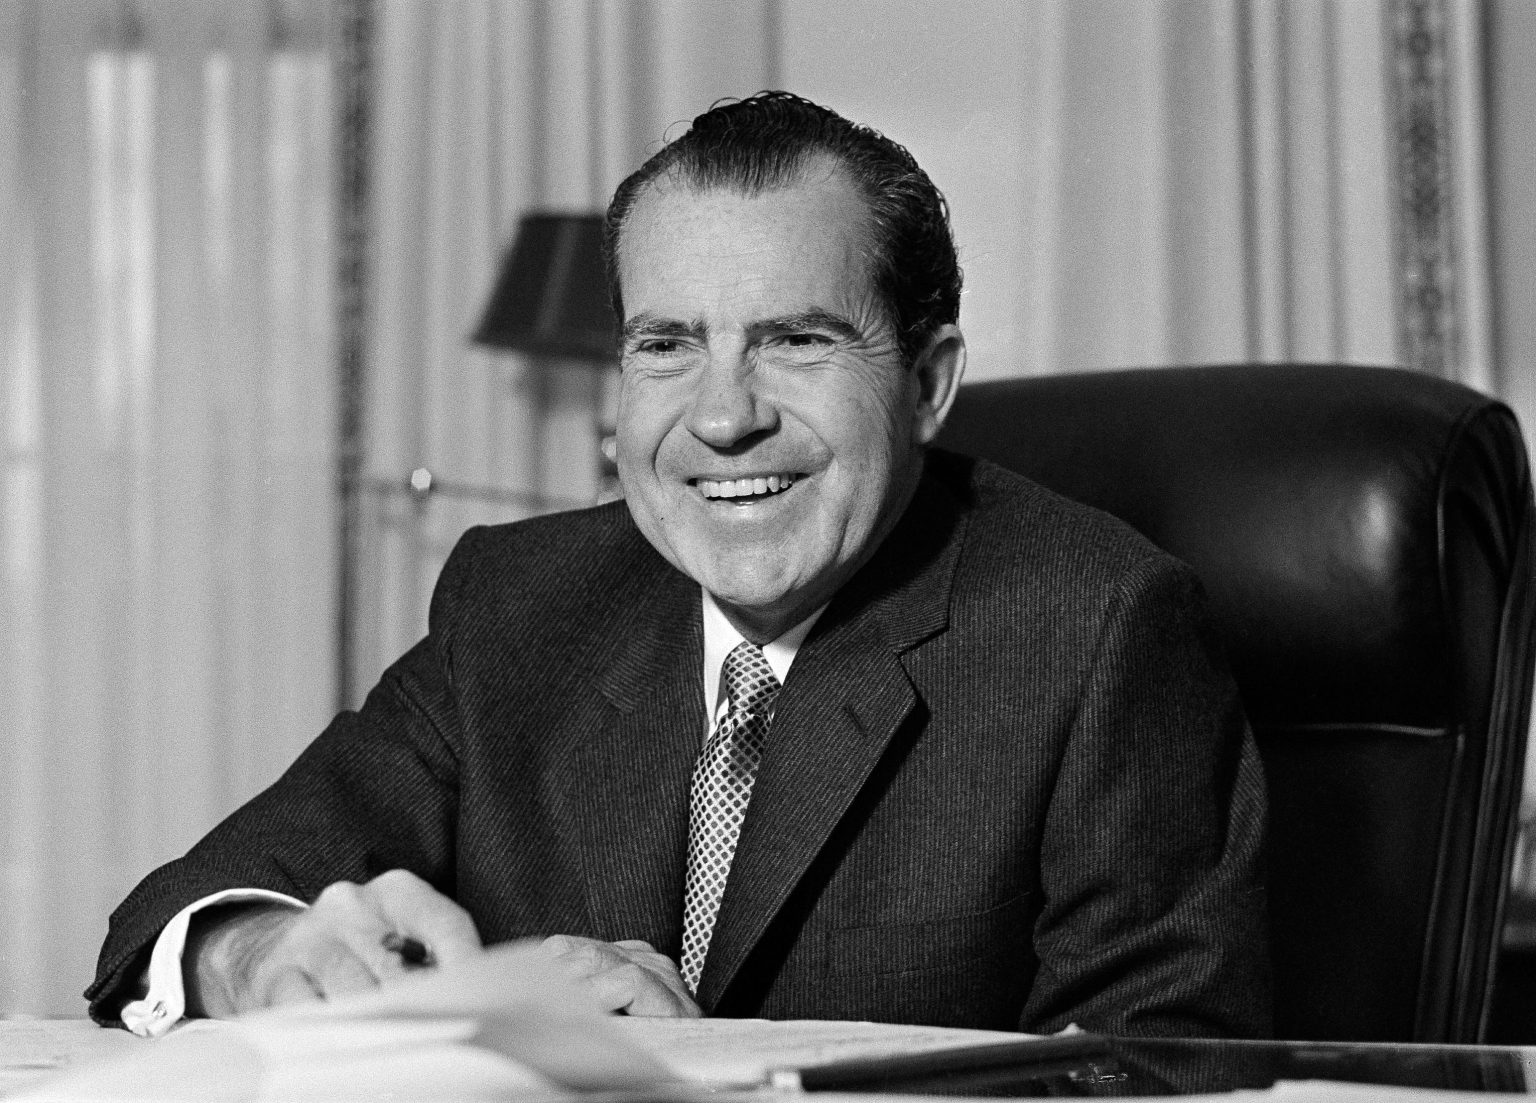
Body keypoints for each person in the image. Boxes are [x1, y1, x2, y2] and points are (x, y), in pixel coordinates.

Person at [88, 91, 1271, 1037]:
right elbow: (184, 906)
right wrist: (258, 952)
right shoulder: (516, 602)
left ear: (927, 381)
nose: (720, 417)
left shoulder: (1099, 627)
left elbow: (1159, 1072)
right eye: (666, 345)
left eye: (794, 340)